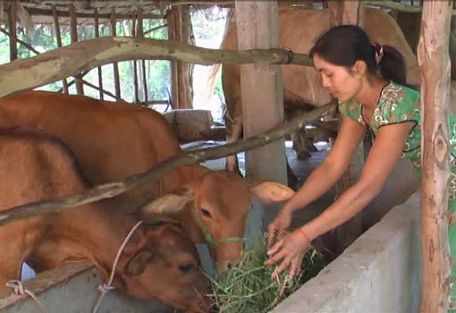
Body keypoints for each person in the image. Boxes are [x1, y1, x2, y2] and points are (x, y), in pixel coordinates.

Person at [265, 24, 456, 304]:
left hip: (450, 193)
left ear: (358, 67)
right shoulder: (357, 106)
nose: (324, 84)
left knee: (448, 288)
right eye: (321, 74)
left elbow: (367, 188)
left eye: (329, 74)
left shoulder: (396, 106)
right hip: (444, 191)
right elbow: (332, 166)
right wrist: (291, 208)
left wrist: (305, 235)